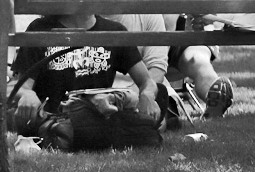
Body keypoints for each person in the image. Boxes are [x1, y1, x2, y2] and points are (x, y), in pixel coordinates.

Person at [9, 14, 161, 134]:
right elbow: (18, 87)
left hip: (97, 115)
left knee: (161, 99)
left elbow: (147, 81)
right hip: (57, 120)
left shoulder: (113, 31)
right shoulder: (40, 29)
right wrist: (27, 95)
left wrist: (147, 95)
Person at [111, 14, 236, 120]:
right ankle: (212, 90)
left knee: (194, 58)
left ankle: (213, 93)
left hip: (166, 37)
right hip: (172, 34)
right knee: (196, 60)